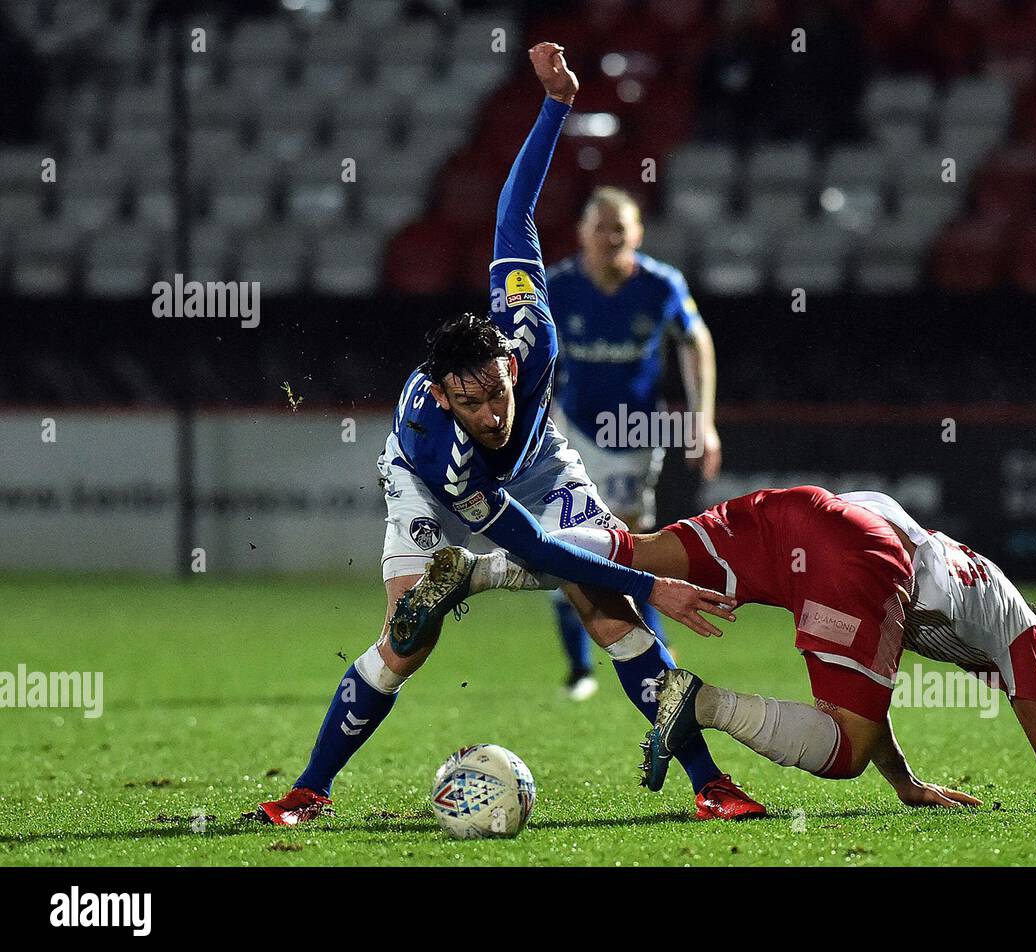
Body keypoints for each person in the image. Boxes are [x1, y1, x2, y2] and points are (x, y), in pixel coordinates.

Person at [252, 43, 763, 826]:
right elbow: (537, 549)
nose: (490, 410)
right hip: (429, 488)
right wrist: (653, 581)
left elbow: (512, 210)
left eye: (495, 391)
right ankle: (309, 791)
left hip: (541, 463)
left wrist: (556, 104)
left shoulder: (529, 327)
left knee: (608, 612)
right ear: (445, 399)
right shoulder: (438, 444)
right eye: (472, 403)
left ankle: (710, 786)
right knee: (406, 639)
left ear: (506, 366)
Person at [444, 486, 1036, 810]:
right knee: (844, 752)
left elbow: (873, 679)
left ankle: (478, 568)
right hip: (858, 559)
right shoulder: (1015, 627)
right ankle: (703, 702)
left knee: (639, 551)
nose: (1003, 688)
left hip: (799, 511)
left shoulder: (959, 575)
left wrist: (902, 782)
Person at [546, 186, 721, 700]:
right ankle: (580, 670)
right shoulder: (555, 286)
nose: (610, 237)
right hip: (572, 431)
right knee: (563, 544)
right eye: (600, 227)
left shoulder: (660, 284)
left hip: (634, 431)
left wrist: (704, 420)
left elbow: (696, 340)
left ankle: (658, 662)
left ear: (638, 234)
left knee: (630, 544)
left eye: (620, 227)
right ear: (582, 234)